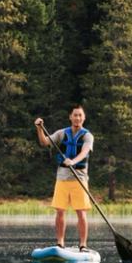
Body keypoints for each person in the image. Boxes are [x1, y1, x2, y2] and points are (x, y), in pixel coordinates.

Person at [35, 106, 93, 249]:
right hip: (62, 178)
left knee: (81, 212)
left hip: (79, 179)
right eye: (75, 115)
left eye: (80, 115)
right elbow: (44, 142)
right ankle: (60, 243)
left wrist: (72, 161)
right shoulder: (62, 133)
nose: (78, 118)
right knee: (60, 211)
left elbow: (85, 152)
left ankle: (83, 245)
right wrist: (39, 128)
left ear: (83, 118)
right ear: (70, 117)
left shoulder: (87, 136)